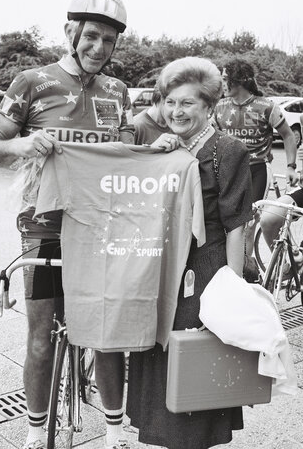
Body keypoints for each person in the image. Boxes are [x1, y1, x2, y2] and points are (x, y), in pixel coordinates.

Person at [0, 0, 134, 449]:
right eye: (91, 37)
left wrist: (159, 147)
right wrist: (21, 145)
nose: (99, 48)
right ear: (71, 33)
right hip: (43, 224)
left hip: (100, 225)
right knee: (42, 334)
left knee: (107, 335)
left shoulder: (117, 91)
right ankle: (32, 431)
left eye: (109, 41)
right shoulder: (32, 81)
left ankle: (114, 432)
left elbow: (127, 155)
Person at [126, 56, 253, 449]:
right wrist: (156, 156)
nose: (176, 111)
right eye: (170, 102)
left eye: (187, 103)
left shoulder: (227, 150)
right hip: (167, 268)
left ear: (209, 107)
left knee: (195, 361)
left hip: (206, 269)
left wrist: (230, 294)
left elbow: (236, 228)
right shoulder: (166, 146)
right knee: (163, 360)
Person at [213, 58, 298, 269]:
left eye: (225, 78)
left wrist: (290, 166)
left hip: (257, 168)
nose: (222, 83)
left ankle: (245, 273)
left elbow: (288, 136)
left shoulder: (266, 107)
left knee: (248, 225)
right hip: (227, 169)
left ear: (239, 80)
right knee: (221, 221)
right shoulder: (220, 106)